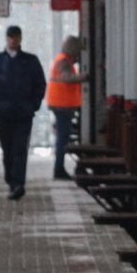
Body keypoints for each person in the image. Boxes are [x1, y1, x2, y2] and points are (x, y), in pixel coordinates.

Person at [0, 23, 47, 199]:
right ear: (6, 38)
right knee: (7, 149)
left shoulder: (30, 61)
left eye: (16, 36)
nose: (13, 40)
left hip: (23, 113)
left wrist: (33, 105)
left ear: (20, 38)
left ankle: (18, 184)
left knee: (20, 149)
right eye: (11, 37)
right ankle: (11, 179)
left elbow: (40, 84)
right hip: (3, 113)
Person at [46, 34, 86, 181]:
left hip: (62, 104)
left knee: (63, 138)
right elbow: (67, 78)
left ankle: (60, 168)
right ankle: (59, 169)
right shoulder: (63, 61)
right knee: (62, 138)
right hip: (61, 105)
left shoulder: (63, 60)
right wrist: (84, 76)